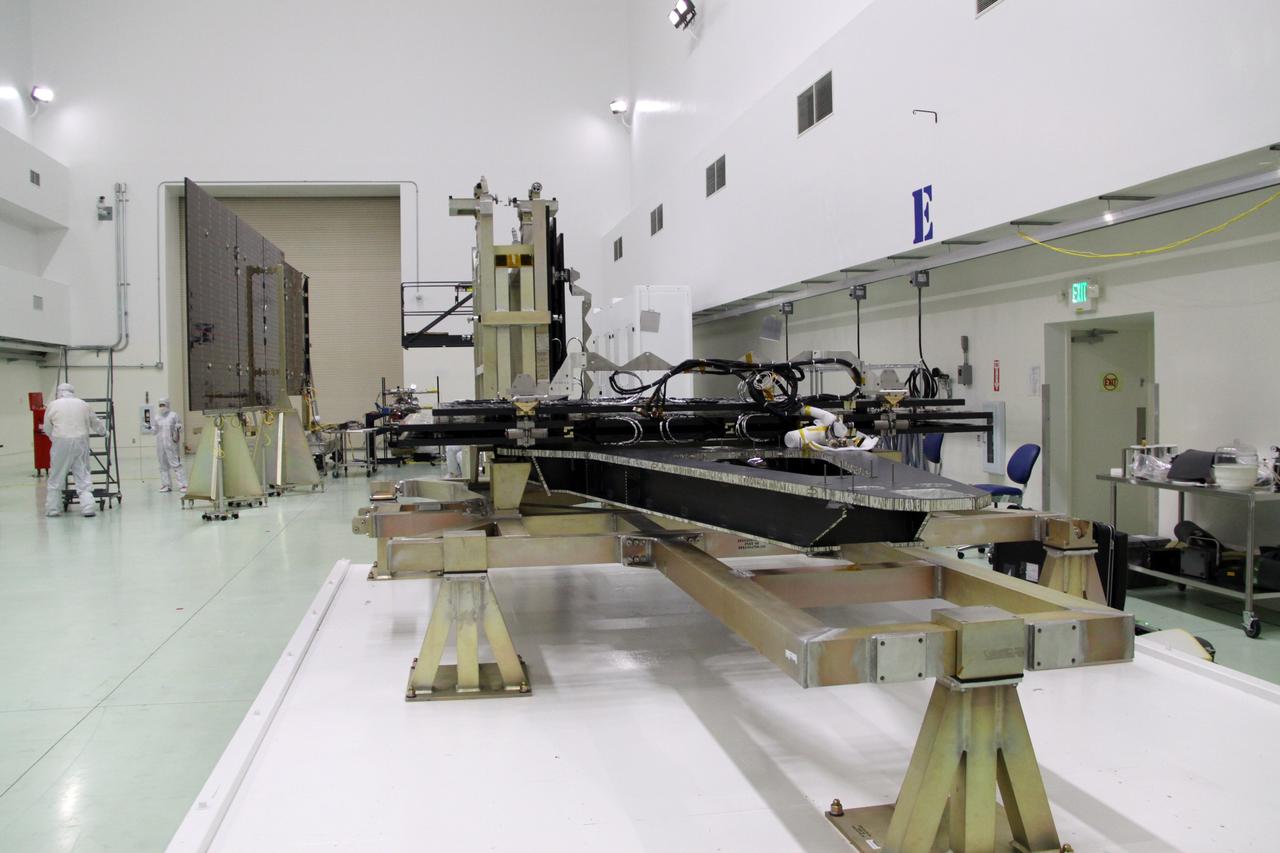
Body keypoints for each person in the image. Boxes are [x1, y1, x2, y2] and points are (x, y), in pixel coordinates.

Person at [42, 383, 104, 518]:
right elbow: (95, 422)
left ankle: (53, 509)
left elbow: (47, 427)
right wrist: (103, 432)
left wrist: (55, 439)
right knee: (82, 475)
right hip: (80, 441)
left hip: (61, 441)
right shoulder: (82, 404)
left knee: (56, 476)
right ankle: (88, 508)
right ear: (72, 392)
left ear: (59, 392)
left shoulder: (53, 405)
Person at [153, 398, 187, 493]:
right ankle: (166, 485)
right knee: (163, 465)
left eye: (163, 405)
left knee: (176, 464)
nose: (162, 407)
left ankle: (183, 485)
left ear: (167, 405)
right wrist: (150, 428)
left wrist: (179, 427)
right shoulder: (157, 417)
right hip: (160, 446)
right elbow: (155, 430)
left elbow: (180, 426)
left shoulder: (173, 415)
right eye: (160, 405)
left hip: (171, 444)